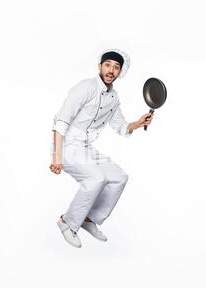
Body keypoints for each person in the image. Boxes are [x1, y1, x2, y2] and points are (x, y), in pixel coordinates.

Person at [49, 48, 154, 248]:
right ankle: (67, 222)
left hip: (86, 148)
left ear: (120, 72)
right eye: (108, 65)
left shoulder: (113, 98)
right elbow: (61, 121)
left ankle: (90, 219)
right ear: (100, 66)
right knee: (96, 178)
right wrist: (57, 156)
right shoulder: (85, 88)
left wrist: (138, 123)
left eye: (116, 67)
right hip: (67, 145)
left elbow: (120, 126)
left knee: (119, 177)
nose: (111, 70)